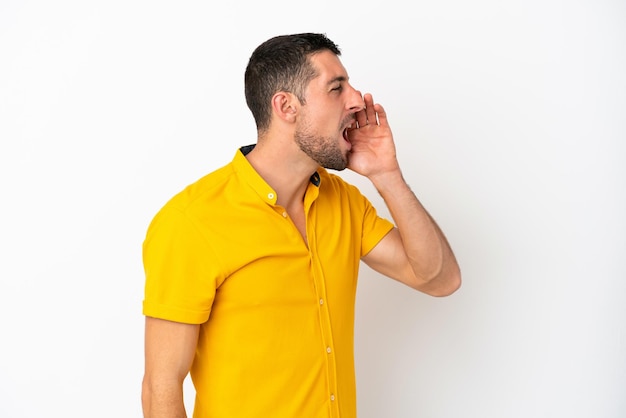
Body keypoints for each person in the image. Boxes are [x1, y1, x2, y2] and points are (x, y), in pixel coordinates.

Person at [141, 32, 461, 418]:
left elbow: (439, 279)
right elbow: (162, 386)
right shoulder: (192, 222)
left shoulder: (342, 202)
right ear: (286, 106)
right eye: (336, 88)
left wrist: (387, 174)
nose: (357, 99)